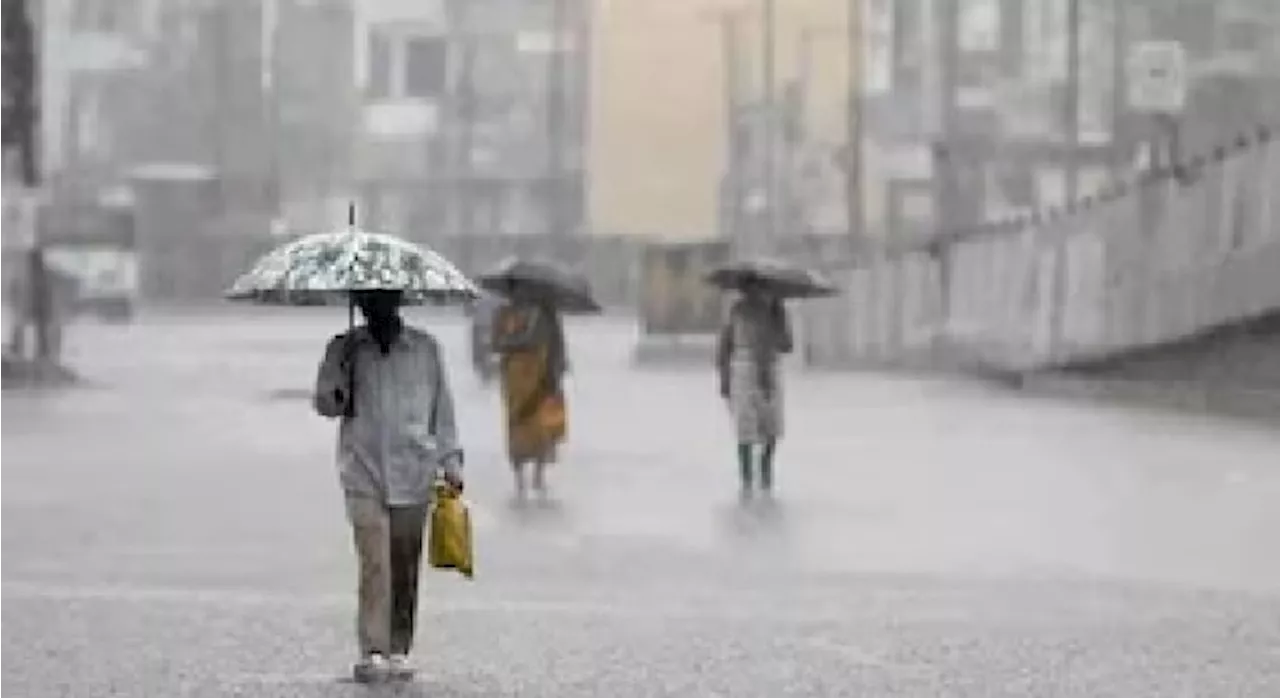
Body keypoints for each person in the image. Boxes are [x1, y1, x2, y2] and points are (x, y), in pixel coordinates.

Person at [313, 289, 465, 683]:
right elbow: (327, 405)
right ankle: (373, 648)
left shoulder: (425, 350)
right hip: (362, 470)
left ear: (397, 301)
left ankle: (399, 646)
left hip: (414, 470)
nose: (374, 308)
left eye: (381, 300)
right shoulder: (344, 349)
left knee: (404, 564)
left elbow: (441, 408)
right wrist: (339, 378)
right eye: (366, 302)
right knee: (374, 561)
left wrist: (451, 460)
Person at [716, 281, 792, 499]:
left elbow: (787, 345)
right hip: (744, 367)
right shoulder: (737, 311)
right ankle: (746, 479)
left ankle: (766, 472)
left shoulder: (777, 311)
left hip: (770, 367)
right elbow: (725, 344)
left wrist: (778, 318)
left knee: (772, 426)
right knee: (745, 426)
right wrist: (724, 378)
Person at [492, 294, 568, 499]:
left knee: (541, 427)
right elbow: (496, 342)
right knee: (518, 426)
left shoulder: (547, 315)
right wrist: (514, 341)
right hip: (516, 381)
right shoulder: (506, 313)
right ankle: (520, 478)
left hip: (541, 377)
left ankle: (538, 475)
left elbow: (557, 346)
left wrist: (556, 372)